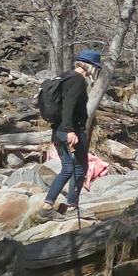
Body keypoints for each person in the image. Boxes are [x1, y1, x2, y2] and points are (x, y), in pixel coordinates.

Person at [38, 50, 101, 220]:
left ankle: (47, 208)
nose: (95, 70)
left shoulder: (65, 76)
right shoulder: (77, 80)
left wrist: (63, 130)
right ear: (90, 66)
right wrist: (70, 130)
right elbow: (68, 106)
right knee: (80, 169)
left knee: (67, 169)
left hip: (58, 130)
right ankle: (72, 208)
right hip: (71, 130)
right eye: (96, 67)